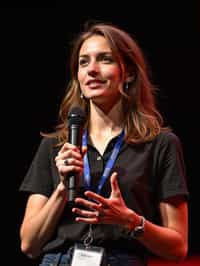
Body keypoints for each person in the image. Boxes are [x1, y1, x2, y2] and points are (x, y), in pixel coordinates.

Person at [19, 21, 189, 266]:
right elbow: (29, 245)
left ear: (128, 72)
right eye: (84, 62)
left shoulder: (160, 144)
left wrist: (130, 221)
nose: (92, 70)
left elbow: (178, 248)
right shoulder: (56, 145)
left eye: (105, 59)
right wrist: (61, 189)